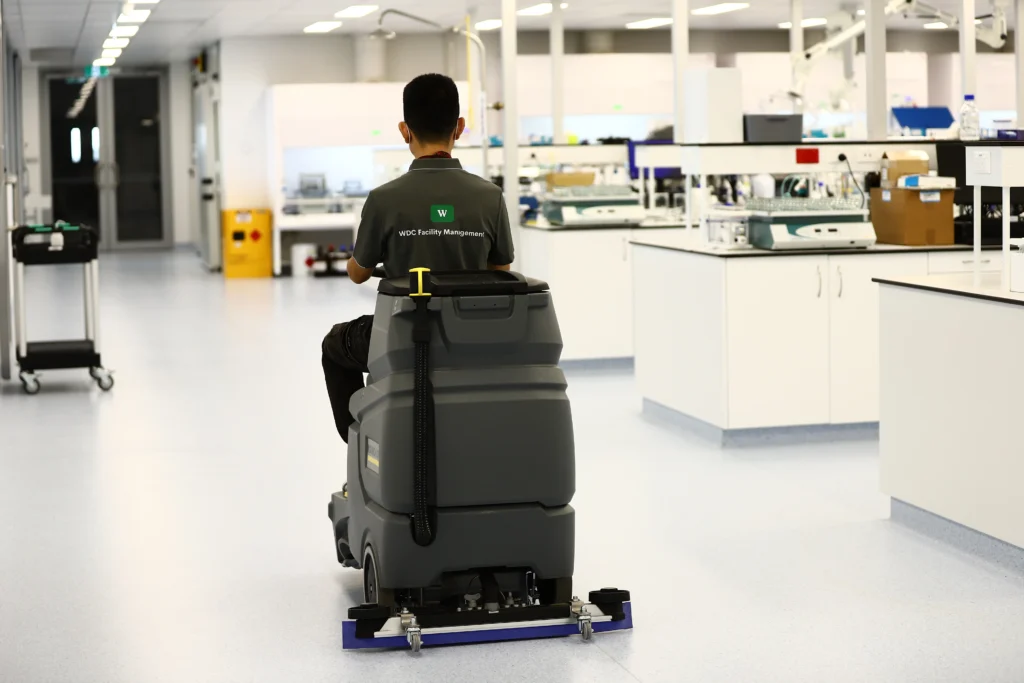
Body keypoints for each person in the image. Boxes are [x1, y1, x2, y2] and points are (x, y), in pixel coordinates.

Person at [322, 73, 515, 443]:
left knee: (335, 345)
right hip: (469, 336)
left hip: (400, 336)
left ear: (404, 130)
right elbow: (500, 271)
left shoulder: (383, 198)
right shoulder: (490, 197)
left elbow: (358, 274)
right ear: (459, 128)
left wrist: (363, 259)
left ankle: (362, 444)